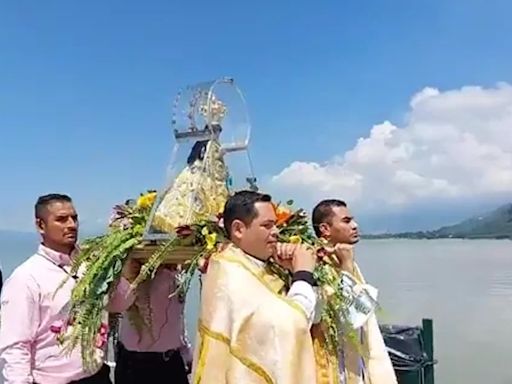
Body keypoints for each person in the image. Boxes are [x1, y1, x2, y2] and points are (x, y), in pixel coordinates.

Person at [0, 194, 133, 384]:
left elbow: (121, 304)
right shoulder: (26, 278)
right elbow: (16, 346)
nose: (71, 225)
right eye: (61, 219)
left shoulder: (91, 266)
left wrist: (114, 269)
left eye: (74, 218)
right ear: (41, 225)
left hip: (98, 377)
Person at [191, 190, 319, 383]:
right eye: (267, 226)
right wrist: (303, 274)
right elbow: (287, 327)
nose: (276, 232)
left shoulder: (262, 265)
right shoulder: (229, 271)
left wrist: (292, 271)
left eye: (275, 225)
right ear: (238, 229)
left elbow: (314, 319)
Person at [312, 199, 397, 384]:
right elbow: (351, 316)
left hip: (356, 360)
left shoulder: (341, 258)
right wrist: (347, 266)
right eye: (346, 221)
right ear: (325, 229)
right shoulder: (316, 264)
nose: (355, 226)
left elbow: (364, 311)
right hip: (335, 365)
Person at [109, 262, 193, 384]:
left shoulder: (175, 272)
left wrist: (185, 351)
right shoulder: (132, 268)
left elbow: (176, 316)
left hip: (171, 361)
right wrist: (129, 278)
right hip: (135, 365)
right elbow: (116, 306)